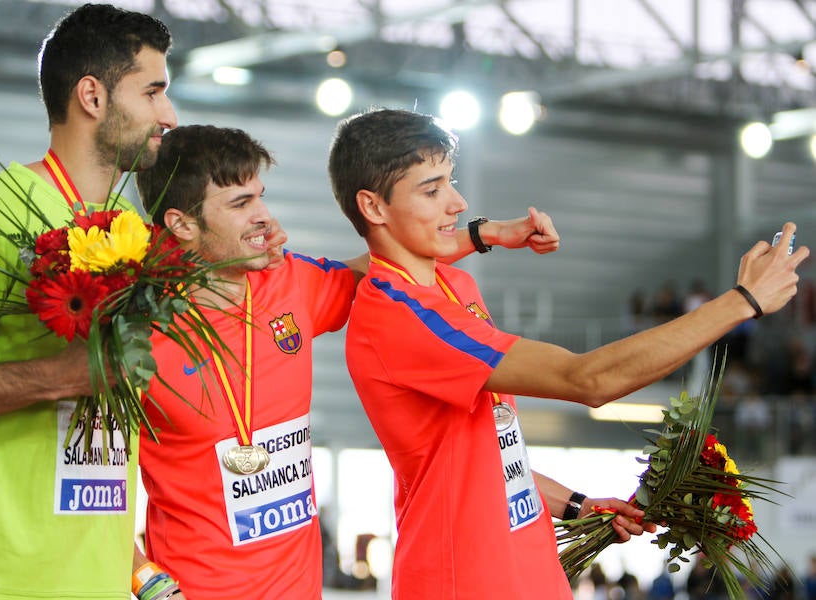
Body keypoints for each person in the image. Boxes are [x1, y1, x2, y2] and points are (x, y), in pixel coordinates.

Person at [327, 107, 807, 600]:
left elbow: (484, 458)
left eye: (451, 181)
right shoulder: (398, 315)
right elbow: (588, 381)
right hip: (465, 579)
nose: (457, 202)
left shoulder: (454, 283)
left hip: (527, 570)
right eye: (432, 190)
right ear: (373, 206)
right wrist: (741, 302)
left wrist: (577, 504)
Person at [132, 124, 561, 599]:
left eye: (260, 196)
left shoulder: (290, 282)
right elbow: (95, 475)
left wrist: (487, 234)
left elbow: (385, 262)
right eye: (240, 204)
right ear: (182, 224)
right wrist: (149, 585)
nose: (264, 217)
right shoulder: (134, 334)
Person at [0, 4, 178, 599]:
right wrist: (58, 377)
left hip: (94, 583)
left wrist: (136, 571)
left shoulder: (127, 230)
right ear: (92, 95)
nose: (169, 114)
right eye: (154, 91)